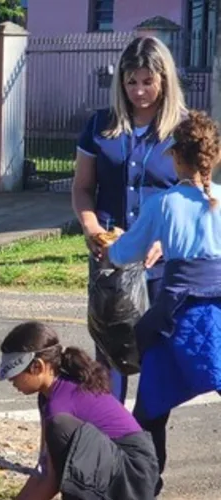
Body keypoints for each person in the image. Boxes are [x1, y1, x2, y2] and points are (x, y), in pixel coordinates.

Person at [101, 110, 221, 494]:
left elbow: (126, 253)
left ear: (175, 157)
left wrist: (110, 248)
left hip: (176, 317)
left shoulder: (164, 204)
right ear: (213, 157)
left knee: (151, 411)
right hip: (218, 315)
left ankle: (145, 485)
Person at [71, 35, 187, 402]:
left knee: (157, 355)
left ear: (164, 80)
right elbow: (82, 187)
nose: (139, 91)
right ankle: (109, 438)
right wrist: (91, 228)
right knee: (109, 354)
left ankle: (145, 448)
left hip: (161, 263)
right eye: (131, 81)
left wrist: (164, 239)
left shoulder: (184, 130)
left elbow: (197, 199)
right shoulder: (100, 125)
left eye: (148, 81)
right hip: (111, 259)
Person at [0, 321, 158, 500]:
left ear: (38, 367)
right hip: (118, 463)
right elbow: (43, 466)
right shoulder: (48, 396)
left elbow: (51, 480)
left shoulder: (58, 408)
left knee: (61, 429)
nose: (11, 379)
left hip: (133, 473)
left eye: (15, 373)